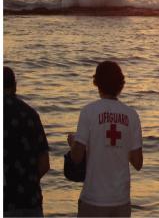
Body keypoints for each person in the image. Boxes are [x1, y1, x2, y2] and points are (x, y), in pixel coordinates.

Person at [67, 61, 143, 217]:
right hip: (121, 201)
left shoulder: (89, 112)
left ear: (96, 83)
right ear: (121, 84)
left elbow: (76, 157)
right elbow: (138, 162)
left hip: (94, 199)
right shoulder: (132, 115)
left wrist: (73, 143)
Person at [3, 67, 50, 217]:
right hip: (30, 201)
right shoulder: (31, 114)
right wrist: (26, 184)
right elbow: (44, 164)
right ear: (14, 85)